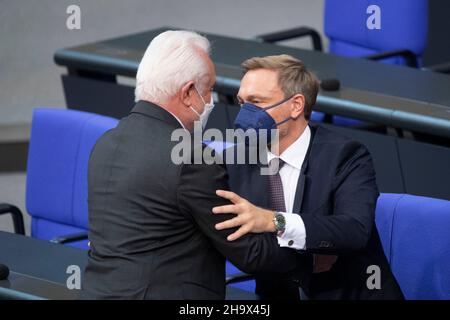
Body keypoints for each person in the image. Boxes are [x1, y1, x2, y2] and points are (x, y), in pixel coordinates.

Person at [81, 31, 303, 300]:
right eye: (208, 90)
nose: (210, 101)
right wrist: (308, 253)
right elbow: (249, 253)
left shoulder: (106, 142)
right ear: (187, 92)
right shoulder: (191, 158)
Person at [213, 54, 404, 300]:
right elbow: (235, 245)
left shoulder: (345, 156)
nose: (245, 114)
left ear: (296, 105)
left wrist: (274, 221)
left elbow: (354, 230)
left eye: (256, 102)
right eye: (242, 103)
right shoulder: (235, 161)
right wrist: (304, 260)